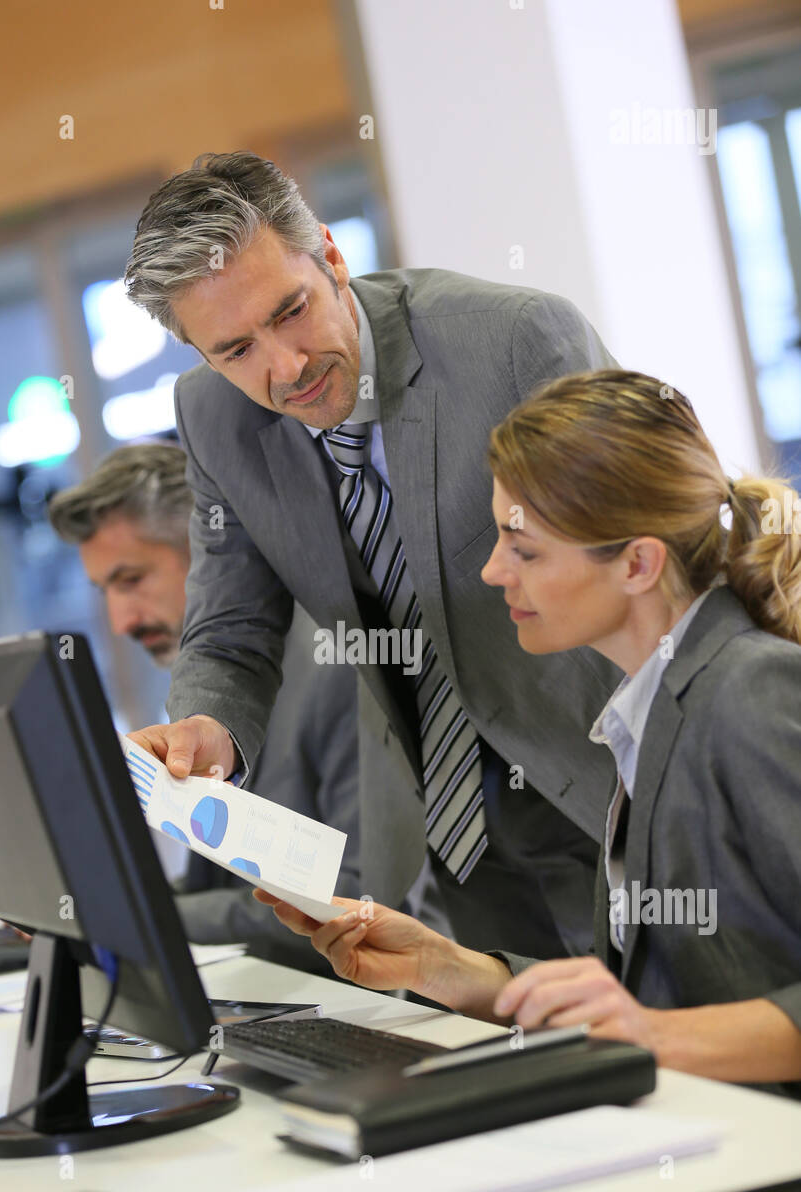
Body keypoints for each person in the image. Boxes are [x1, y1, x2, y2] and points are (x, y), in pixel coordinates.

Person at [123, 150, 623, 965]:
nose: (284, 369)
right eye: (234, 350)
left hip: (600, 786)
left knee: (675, 1064)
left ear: (330, 254)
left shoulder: (517, 341)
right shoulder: (211, 416)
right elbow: (230, 625)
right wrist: (207, 726)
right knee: (524, 1055)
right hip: (447, 829)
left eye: (291, 311)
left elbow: (648, 571)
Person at [254, 369, 801, 1097]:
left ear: (638, 563)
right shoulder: (657, 706)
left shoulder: (748, 691)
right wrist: (448, 969)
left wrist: (655, 1037)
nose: (491, 570)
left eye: (525, 549)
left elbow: (659, 1021)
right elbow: (657, 989)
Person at [48, 442, 379, 977]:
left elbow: (357, 902)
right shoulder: (204, 695)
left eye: (131, 580)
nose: (121, 622)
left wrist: (136, 916)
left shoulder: (336, 667)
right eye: (105, 590)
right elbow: (223, 887)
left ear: (207, 553)